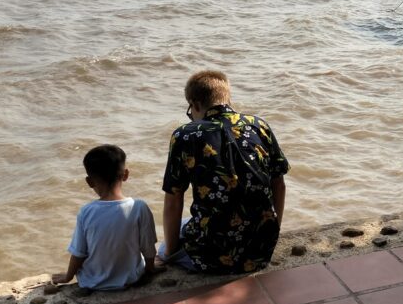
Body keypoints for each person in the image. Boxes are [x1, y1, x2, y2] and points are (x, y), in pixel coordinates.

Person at [160, 70, 288, 273]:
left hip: (210, 257)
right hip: (260, 252)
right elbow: (279, 186)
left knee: (165, 244)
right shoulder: (259, 126)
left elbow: (173, 201)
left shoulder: (185, 135)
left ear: (195, 104)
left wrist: (169, 253)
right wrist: (272, 234)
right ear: (227, 98)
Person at [52, 144, 158, 290]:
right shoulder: (139, 207)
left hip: (92, 282)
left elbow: (79, 253)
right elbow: (148, 248)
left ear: (89, 182)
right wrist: (150, 269)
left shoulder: (86, 212)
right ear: (126, 174)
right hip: (131, 279)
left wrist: (68, 277)